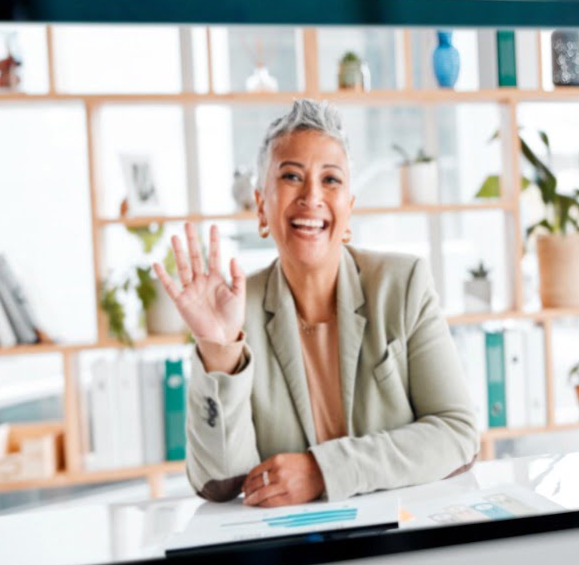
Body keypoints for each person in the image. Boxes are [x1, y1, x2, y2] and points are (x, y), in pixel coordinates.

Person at [156, 99, 477, 508]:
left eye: (330, 180)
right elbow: (219, 483)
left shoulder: (402, 284)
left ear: (349, 209)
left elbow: (457, 433)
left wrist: (322, 471)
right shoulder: (236, 310)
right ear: (260, 207)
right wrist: (219, 348)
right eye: (291, 176)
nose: (312, 196)